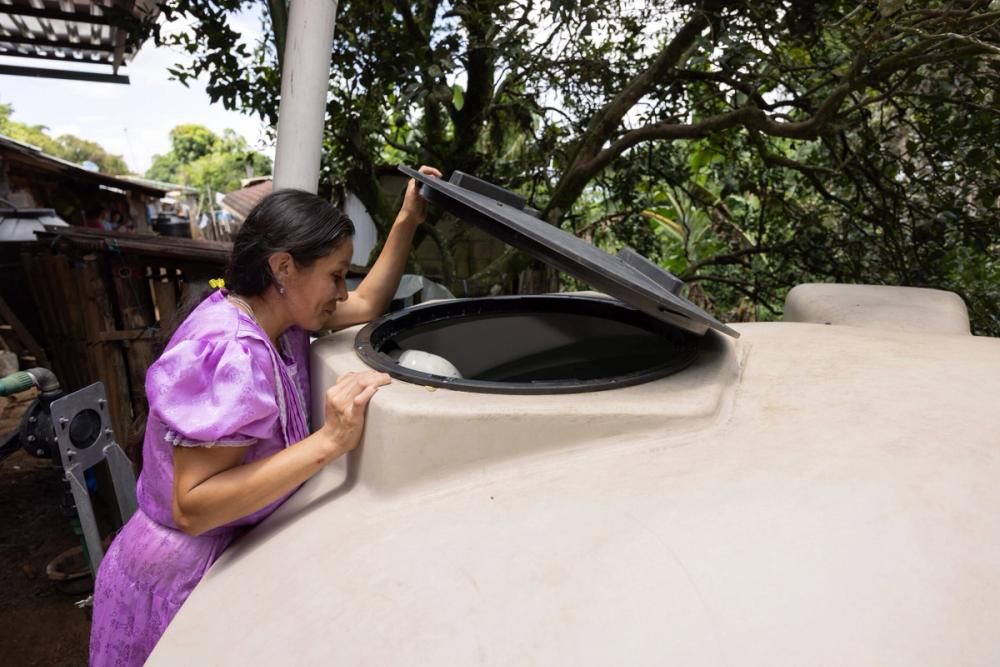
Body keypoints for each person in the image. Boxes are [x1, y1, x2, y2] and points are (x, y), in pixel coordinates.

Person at [89, 166, 442, 666]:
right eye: (336, 275)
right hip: (179, 583)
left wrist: (407, 219)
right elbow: (193, 506)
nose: (343, 291)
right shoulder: (232, 352)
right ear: (283, 268)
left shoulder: (279, 317)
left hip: (216, 559)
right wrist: (330, 441)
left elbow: (366, 302)